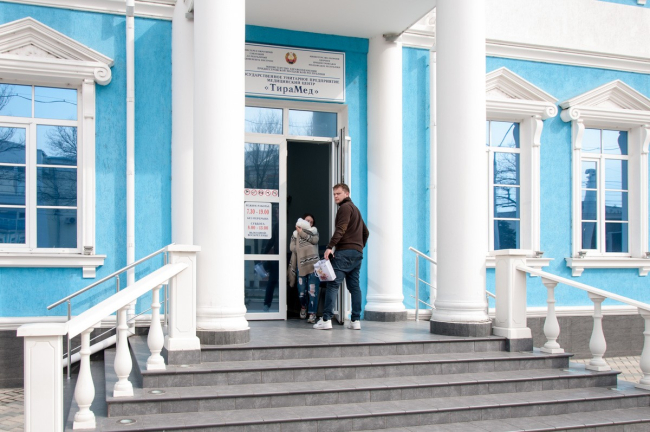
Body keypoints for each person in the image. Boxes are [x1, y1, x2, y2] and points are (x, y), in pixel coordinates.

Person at [313, 183, 369, 330]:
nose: (336, 196)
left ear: (347, 194)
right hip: (357, 254)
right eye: (334, 194)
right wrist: (358, 247)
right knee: (354, 287)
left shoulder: (345, 208)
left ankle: (326, 320)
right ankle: (355, 321)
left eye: (338, 193)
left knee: (332, 285)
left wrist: (329, 247)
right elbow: (366, 232)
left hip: (344, 252)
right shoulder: (356, 210)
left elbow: (341, 229)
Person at [289, 214, 320, 323]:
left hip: (314, 266)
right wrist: (304, 245)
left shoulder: (314, 232)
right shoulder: (295, 234)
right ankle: (303, 306)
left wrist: (301, 233)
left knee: (312, 291)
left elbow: (314, 241)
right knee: (301, 291)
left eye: (311, 222)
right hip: (301, 266)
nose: (309, 223)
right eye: (307, 220)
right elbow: (292, 247)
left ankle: (312, 313)